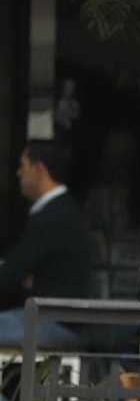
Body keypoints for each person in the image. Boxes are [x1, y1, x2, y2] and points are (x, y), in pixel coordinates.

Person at [0, 140, 92, 349]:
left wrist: (16, 276)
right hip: (54, 321)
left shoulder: (52, 216)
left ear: (39, 169)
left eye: (23, 166)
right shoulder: (64, 210)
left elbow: (8, 277)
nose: (18, 173)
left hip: (50, 324)